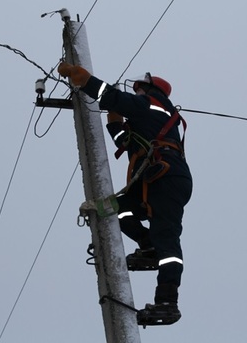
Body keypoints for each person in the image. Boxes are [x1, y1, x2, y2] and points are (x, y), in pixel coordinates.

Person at [58, 62, 193, 326]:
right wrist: (115, 124)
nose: (137, 93)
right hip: (152, 181)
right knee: (113, 210)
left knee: (168, 240)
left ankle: (168, 302)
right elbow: (125, 142)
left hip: (166, 179)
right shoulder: (147, 119)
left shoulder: (153, 105)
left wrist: (84, 80)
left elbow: (112, 97)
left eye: (139, 89)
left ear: (150, 90)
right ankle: (149, 246)